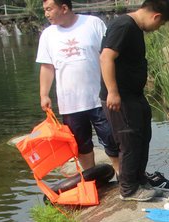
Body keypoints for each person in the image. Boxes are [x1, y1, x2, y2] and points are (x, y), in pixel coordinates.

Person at [99, 0, 169, 201]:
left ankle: (139, 180)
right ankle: (129, 189)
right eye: (161, 24)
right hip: (120, 97)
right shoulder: (123, 25)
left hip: (134, 96)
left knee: (142, 138)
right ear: (156, 16)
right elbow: (106, 57)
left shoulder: (134, 28)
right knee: (129, 142)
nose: (158, 28)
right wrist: (112, 92)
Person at [36, 0, 121, 176]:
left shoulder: (92, 24)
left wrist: (114, 89)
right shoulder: (48, 35)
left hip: (99, 97)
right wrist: (44, 94)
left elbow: (108, 56)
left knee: (112, 138)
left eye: (49, 9)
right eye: (44, 10)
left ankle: (123, 177)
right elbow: (47, 67)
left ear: (64, 8)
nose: (46, 14)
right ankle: (92, 177)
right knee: (81, 144)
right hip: (70, 103)